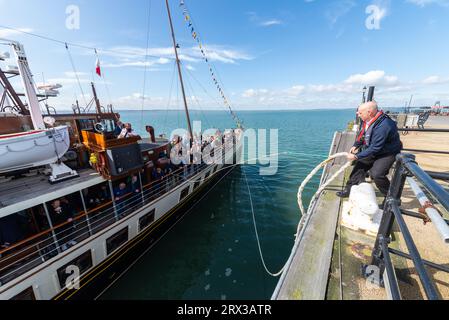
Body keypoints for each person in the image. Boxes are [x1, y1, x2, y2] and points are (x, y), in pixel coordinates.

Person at [337, 101, 402, 202]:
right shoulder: (366, 120)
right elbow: (363, 133)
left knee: (377, 174)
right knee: (359, 167)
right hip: (374, 148)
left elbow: (376, 147)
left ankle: (391, 198)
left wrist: (356, 156)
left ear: (369, 112)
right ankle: (349, 189)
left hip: (387, 152)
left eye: (360, 113)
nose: (357, 114)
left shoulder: (384, 125)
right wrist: (356, 145)